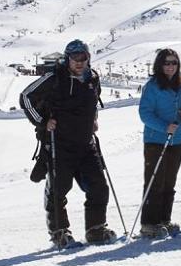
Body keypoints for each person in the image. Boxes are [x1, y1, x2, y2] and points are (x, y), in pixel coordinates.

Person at [20, 39, 116, 248]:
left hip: (85, 143)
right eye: (75, 58)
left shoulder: (92, 78)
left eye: (83, 58)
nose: (79, 62)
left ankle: (95, 230)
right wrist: (43, 122)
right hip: (59, 144)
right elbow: (26, 97)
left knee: (99, 187)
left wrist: (93, 120)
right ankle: (59, 233)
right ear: (67, 59)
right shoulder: (54, 78)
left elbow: (91, 102)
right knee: (58, 190)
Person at [138, 48, 181, 238]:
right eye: (167, 63)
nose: (170, 66)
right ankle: (149, 223)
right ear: (160, 65)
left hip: (177, 139)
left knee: (169, 182)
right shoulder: (153, 86)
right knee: (155, 181)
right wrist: (164, 127)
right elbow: (145, 113)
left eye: (174, 63)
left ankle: (164, 219)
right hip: (156, 139)